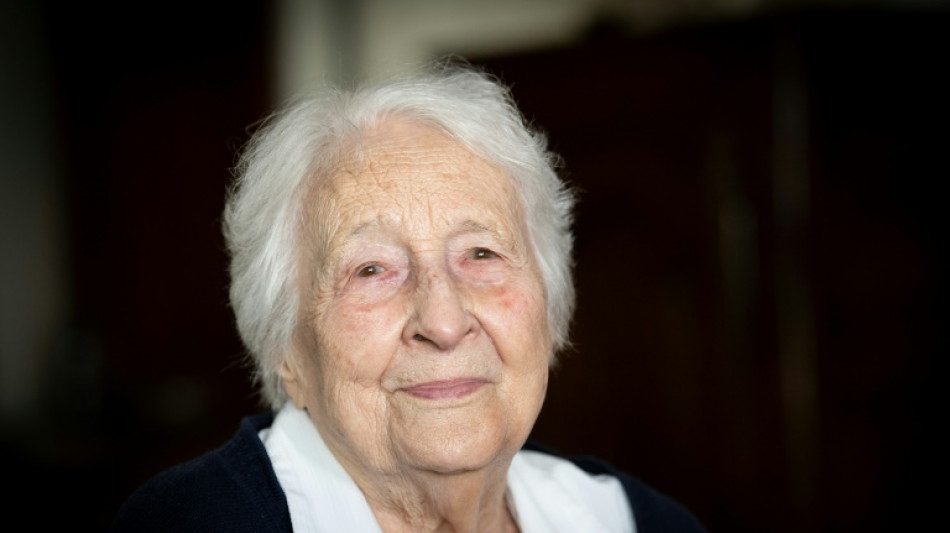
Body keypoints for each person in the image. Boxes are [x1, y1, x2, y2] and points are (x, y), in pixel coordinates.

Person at [110, 60, 706, 532]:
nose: (443, 323)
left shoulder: (633, 521)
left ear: (550, 309)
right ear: (285, 347)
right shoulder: (195, 522)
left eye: (481, 254)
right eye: (371, 269)